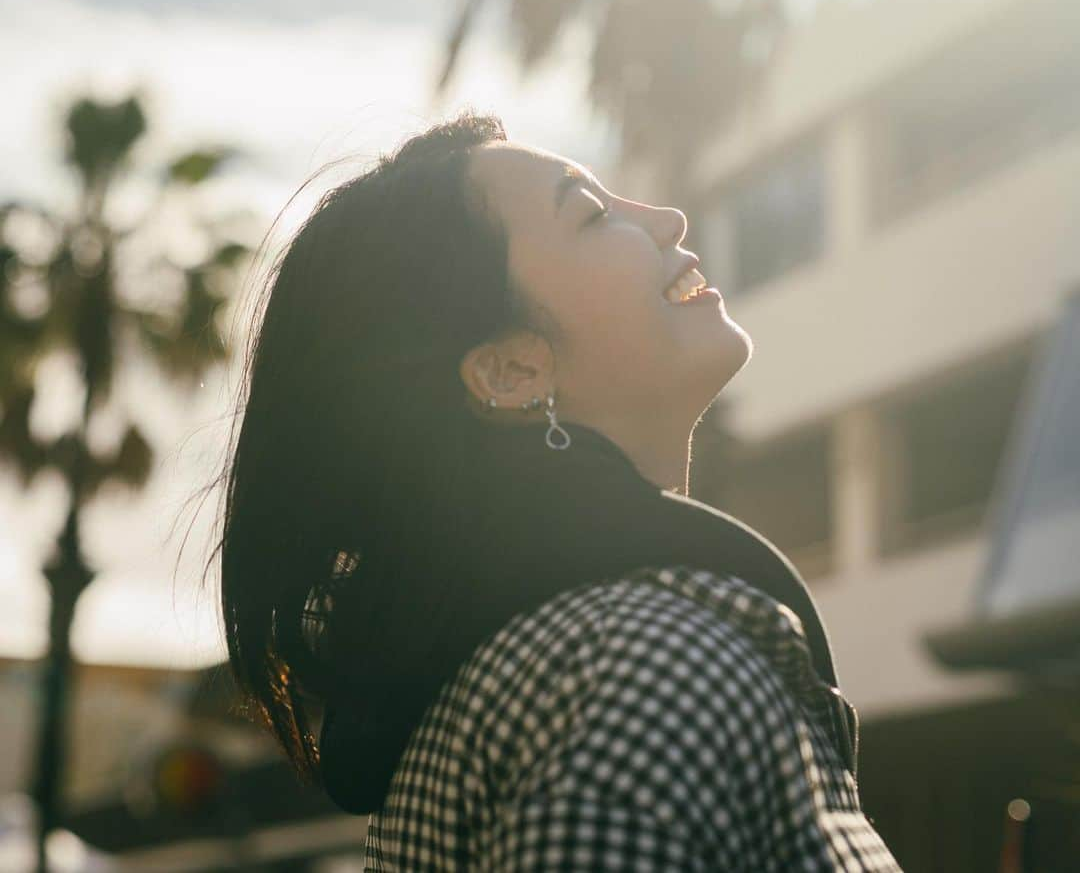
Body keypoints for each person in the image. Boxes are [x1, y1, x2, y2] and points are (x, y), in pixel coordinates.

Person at [211, 109, 904, 869]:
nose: (668, 220)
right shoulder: (637, 665)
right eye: (593, 215)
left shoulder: (512, 668)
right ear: (512, 371)